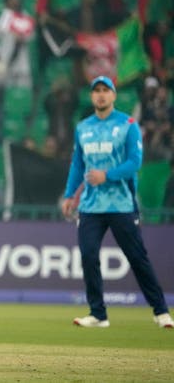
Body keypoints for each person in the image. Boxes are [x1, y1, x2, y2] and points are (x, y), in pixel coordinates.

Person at [61, 75, 173, 329]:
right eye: (96, 91)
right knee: (89, 256)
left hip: (121, 204)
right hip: (90, 206)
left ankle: (161, 312)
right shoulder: (83, 127)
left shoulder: (128, 124)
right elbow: (78, 164)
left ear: (113, 95)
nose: (100, 94)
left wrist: (107, 175)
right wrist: (70, 195)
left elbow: (135, 162)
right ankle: (98, 314)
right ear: (92, 96)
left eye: (105, 90)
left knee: (137, 258)